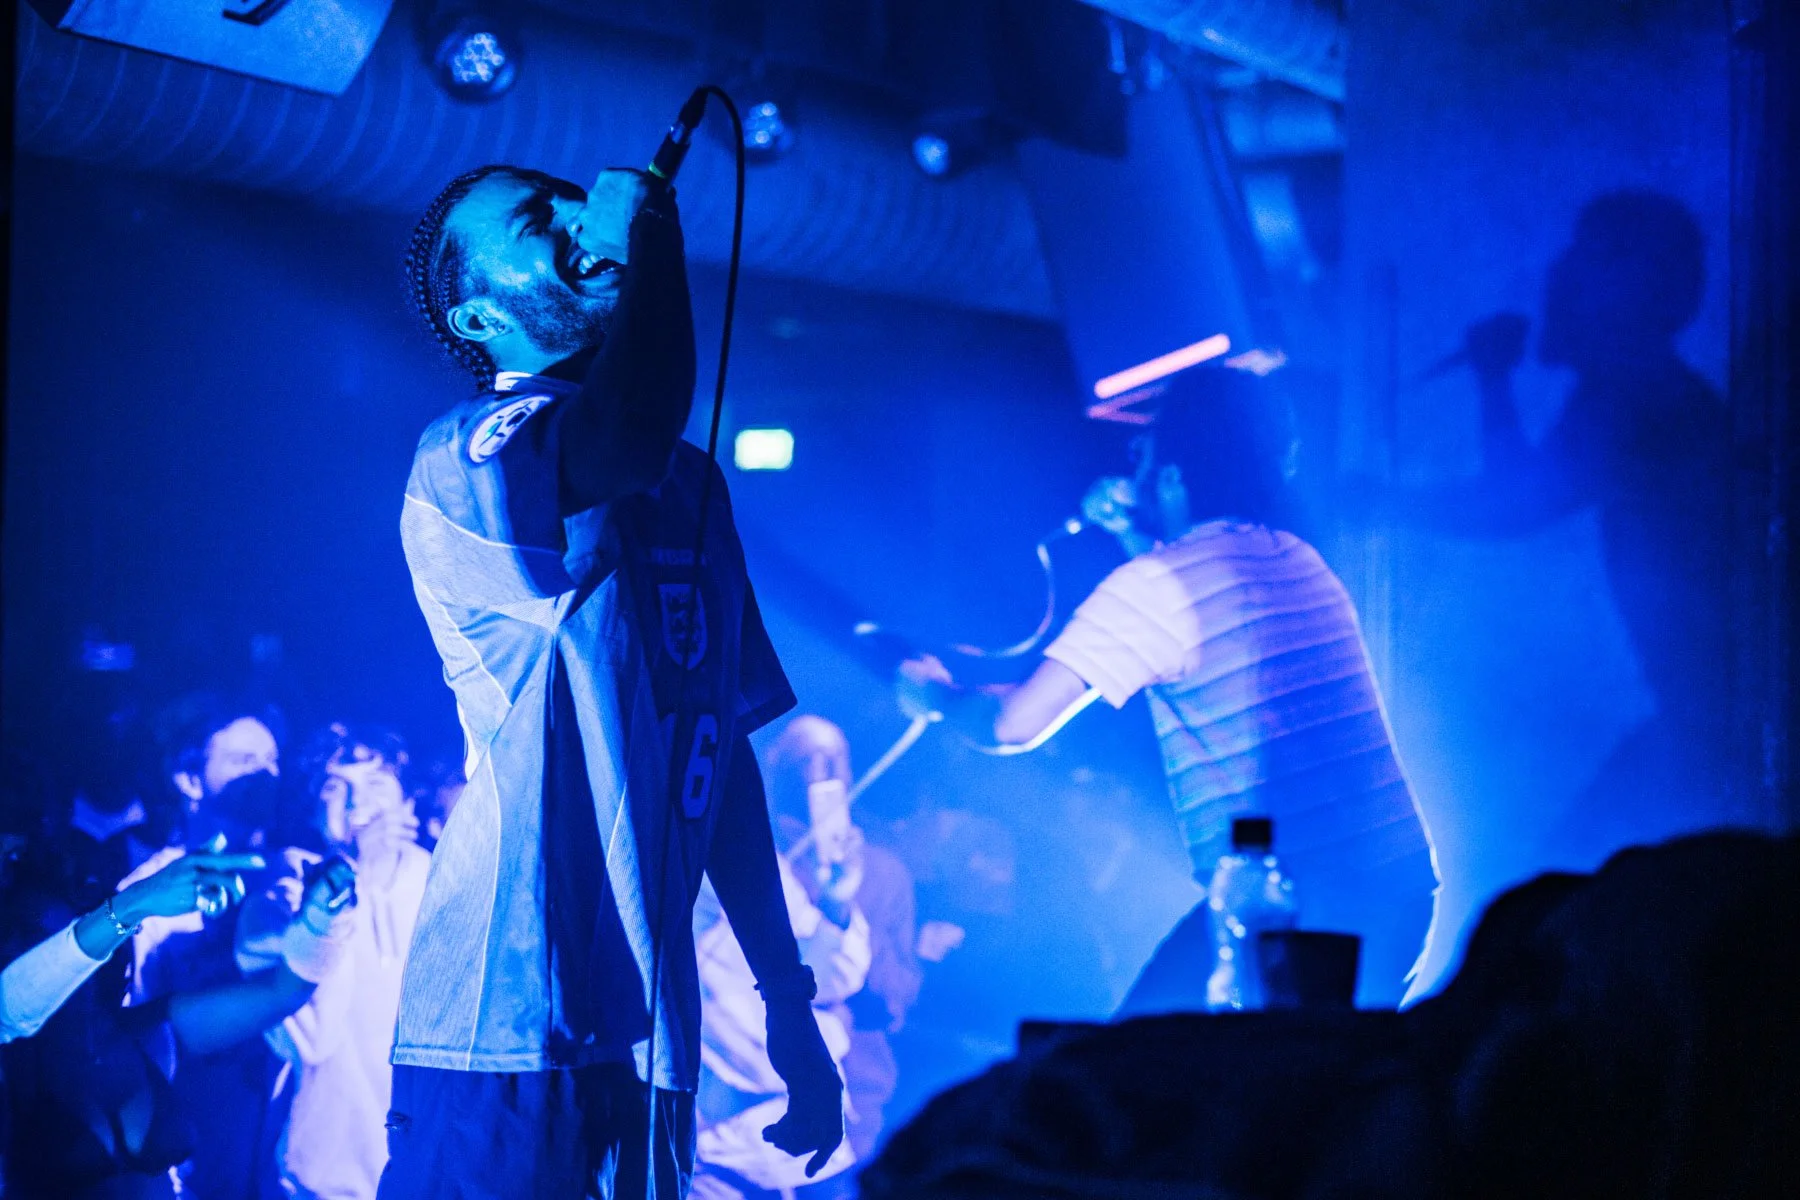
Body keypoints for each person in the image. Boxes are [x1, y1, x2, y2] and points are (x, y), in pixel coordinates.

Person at [388, 162, 840, 1198]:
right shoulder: (467, 451)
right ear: (477, 312)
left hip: (652, 1037)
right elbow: (619, 436)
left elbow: (719, 763)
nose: (573, 217)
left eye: (566, 199)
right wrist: (654, 248)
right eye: (533, 217)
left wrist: (787, 1001)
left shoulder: (690, 482)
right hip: (502, 1027)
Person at [902, 369, 1439, 1009]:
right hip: (1394, 893)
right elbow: (1189, 614)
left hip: (1293, 911)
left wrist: (931, 696)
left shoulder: (1155, 585)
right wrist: (1138, 536)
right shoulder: (1294, 557)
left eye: (1147, 452)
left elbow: (1011, 725)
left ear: (1174, 475)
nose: (1135, 465)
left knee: (1140, 1070)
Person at [1369, 192, 1731, 870]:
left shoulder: (1641, 394)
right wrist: (1493, 382)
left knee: (1571, 890)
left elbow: (1517, 505)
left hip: (1708, 722)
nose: (1558, 275)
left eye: (1587, 257)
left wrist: (1384, 504)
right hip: (1697, 717)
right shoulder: (1640, 391)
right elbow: (1526, 492)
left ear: (1632, 285)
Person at [1, 825, 353, 1200]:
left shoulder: (145, 1031)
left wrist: (320, 921)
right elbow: (12, 1006)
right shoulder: (14, 1064)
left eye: (62, 929)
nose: (50, 944)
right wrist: (137, 901)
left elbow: (281, 995)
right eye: (30, 939)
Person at [236, 724, 431, 1200]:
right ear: (312, 808)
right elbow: (313, 1040)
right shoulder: (280, 896)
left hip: (427, 1173)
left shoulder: (441, 881)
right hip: (316, 1182)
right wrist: (354, 875)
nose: (356, 804)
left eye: (377, 784)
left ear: (407, 804)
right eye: (335, 787)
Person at [131, 697, 299, 1200]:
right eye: (244, 761)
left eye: (272, 761)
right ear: (189, 781)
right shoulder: (149, 894)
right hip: (193, 1153)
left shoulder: (291, 877)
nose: (265, 775)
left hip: (281, 1151)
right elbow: (134, 1031)